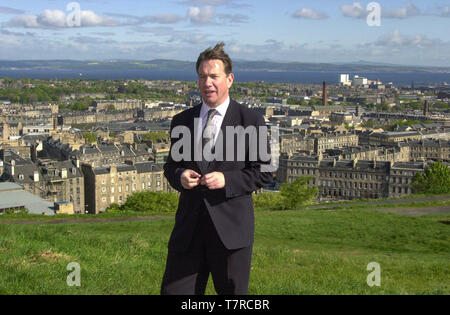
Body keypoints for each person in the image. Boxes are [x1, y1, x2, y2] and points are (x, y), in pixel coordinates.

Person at [161, 42, 273, 295]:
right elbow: (170, 167)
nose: (207, 82)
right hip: (188, 229)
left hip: (231, 231)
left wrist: (227, 179)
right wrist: (180, 176)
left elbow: (265, 171)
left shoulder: (251, 120)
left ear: (229, 79)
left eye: (214, 76)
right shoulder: (182, 121)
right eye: (202, 76)